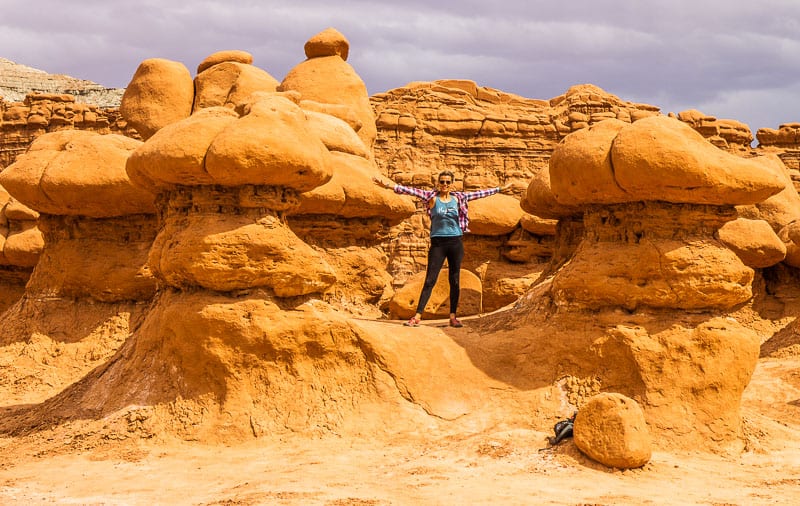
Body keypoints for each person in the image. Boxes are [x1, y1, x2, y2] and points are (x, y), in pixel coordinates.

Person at [372, 171, 512, 327]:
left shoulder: (459, 198)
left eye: (447, 182)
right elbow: (408, 190)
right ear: (438, 183)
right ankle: (417, 316)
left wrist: (499, 189)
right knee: (430, 280)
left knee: (455, 280)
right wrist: (387, 185)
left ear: (452, 184)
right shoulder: (431, 197)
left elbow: (480, 194)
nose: (444, 185)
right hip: (438, 244)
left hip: (455, 243)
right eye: (442, 182)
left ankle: (453, 317)